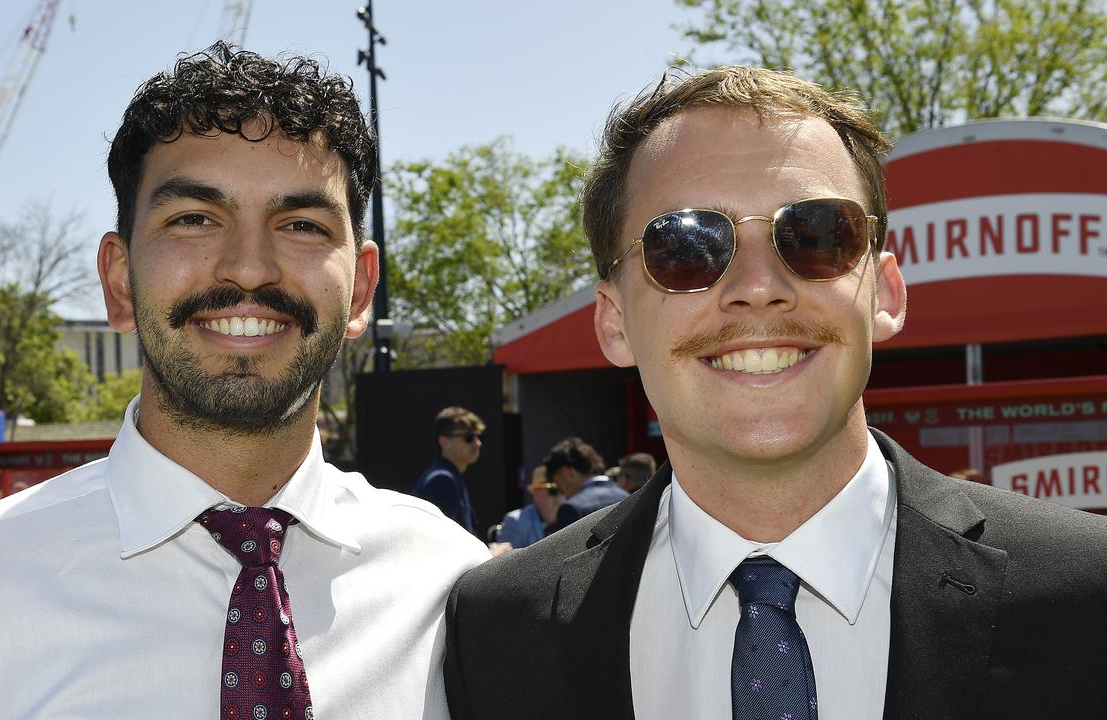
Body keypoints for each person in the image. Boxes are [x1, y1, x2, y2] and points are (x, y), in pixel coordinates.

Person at [0, 43, 488, 720]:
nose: (249, 269)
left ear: (361, 291)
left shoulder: (454, 587)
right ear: (119, 282)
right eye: (195, 219)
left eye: (300, 225)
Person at [443, 66, 1107, 720]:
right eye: (687, 246)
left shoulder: (1088, 592)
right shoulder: (497, 630)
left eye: (817, 236)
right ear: (614, 323)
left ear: (886, 294)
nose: (759, 284)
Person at [412, 406, 485, 535]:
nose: (477, 443)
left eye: (479, 437)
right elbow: (442, 544)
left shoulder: (449, 477)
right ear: (444, 441)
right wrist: (493, 553)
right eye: (468, 437)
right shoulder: (442, 480)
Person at [546, 436, 627, 531]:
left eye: (558, 483)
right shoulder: (628, 497)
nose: (562, 492)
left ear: (569, 473)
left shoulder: (571, 508)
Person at [496, 467, 564, 549]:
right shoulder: (515, 521)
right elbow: (506, 561)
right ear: (536, 493)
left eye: (563, 490)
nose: (560, 497)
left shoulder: (569, 517)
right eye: (553, 491)